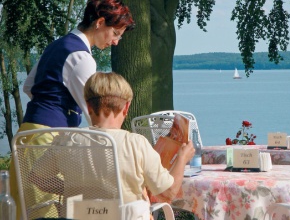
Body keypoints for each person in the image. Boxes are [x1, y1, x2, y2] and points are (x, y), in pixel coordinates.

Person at [10, 0, 135, 219]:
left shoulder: (57, 45)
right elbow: (96, 113)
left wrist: (51, 107)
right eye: (115, 33)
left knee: (25, 211)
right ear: (99, 23)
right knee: (43, 214)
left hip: (28, 133)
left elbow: (29, 86)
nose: (116, 41)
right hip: (47, 140)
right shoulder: (81, 57)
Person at [29, 72, 195, 218]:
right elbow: (168, 193)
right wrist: (182, 157)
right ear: (126, 107)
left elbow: (36, 177)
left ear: (88, 106)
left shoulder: (66, 140)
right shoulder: (135, 144)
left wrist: (71, 188)